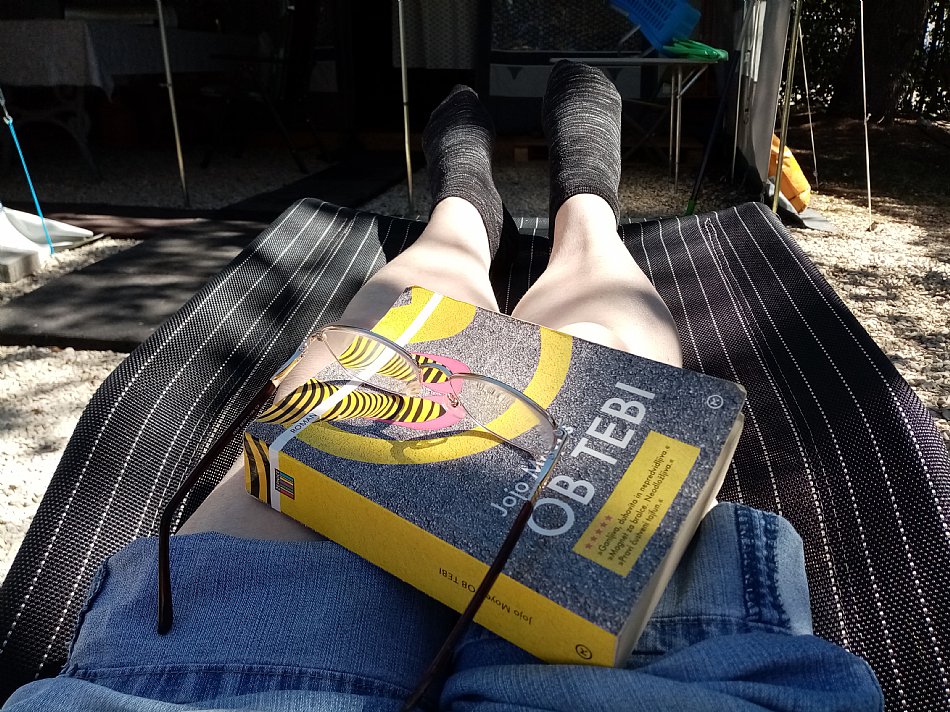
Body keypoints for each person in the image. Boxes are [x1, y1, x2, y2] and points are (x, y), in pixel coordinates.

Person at [2, 61, 882, 711]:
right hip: (661, 679)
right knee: (596, 353)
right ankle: (583, 209)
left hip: (211, 680)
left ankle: (463, 213)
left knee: (389, 348)